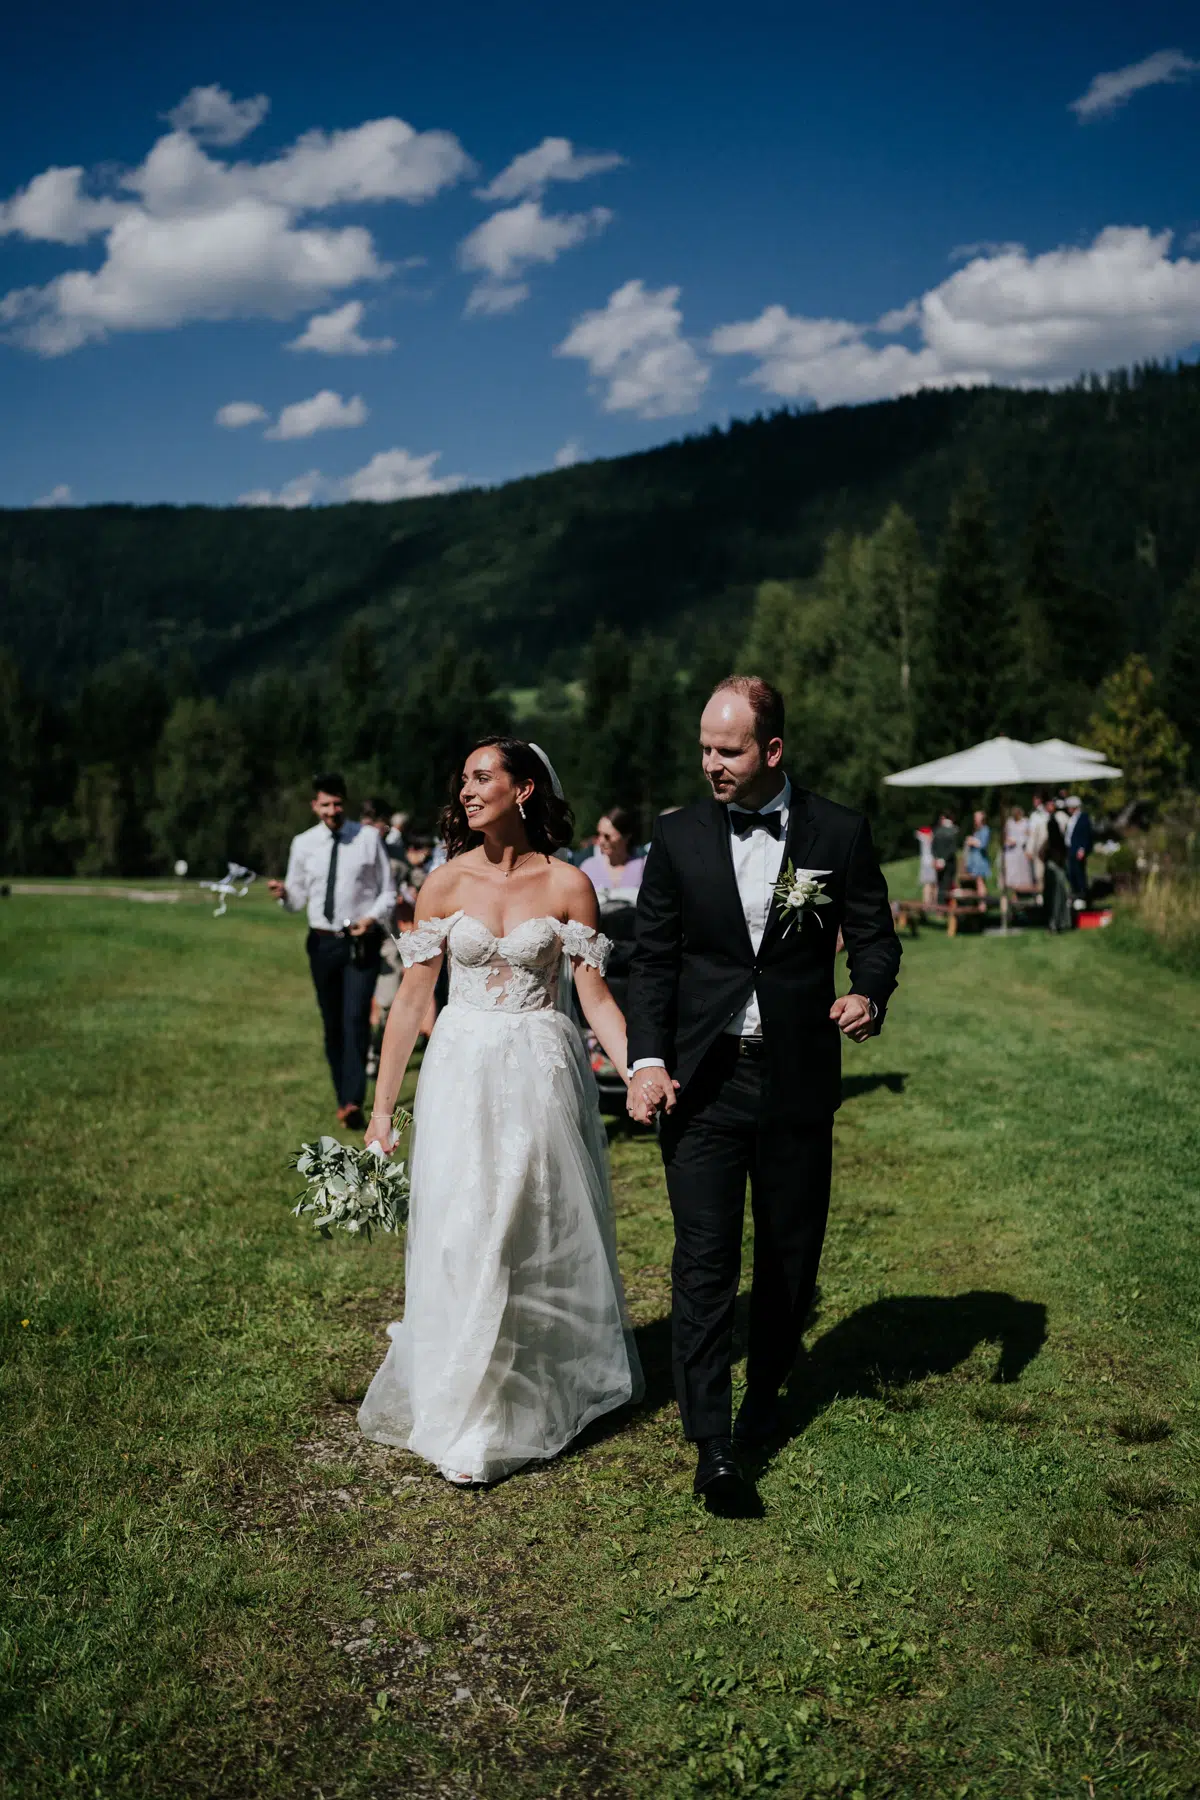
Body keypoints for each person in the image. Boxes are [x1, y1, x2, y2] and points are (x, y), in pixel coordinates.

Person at [624, 676, 901, 1509]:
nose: (710, 763)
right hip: (702, 1081)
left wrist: (868, 994)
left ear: (771, 750)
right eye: (704, 747)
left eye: (728, 750)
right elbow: (653, 960)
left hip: (795, 1081)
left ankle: (766, 1402)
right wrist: (645, 1059)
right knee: (704, 1262)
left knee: (788, 1262)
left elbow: (876, 936)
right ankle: (713, 1445)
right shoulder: (676, 838)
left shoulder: (838, 832)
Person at [357, 738, 643, 1486]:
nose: (466, 792)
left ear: (524, 790)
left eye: (483, 777)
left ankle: (532, 1390)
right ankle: (468, 1402)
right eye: (463, 782)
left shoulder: (569, 885)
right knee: (464, 1226)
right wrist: (383, 1110)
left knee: (530, 1221)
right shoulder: (442, 884)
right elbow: (413, 1000)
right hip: (460, 1074)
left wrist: (638, 1071)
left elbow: (597, 1000)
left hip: (542, 1076)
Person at [268, 773, 395, 1131]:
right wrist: (283, 895)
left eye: (337, 803)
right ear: (315, 806)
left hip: (359, 939)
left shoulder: (368, 839)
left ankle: (353, 1098)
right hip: (322, 941)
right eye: (325, 804)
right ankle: (343, 1096)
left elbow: (388, 891)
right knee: (332, 1022)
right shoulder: (303, 843)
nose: (332, 810)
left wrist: (371, 919)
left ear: (345, 803)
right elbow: (296, 898)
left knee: (355, 1017)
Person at [579, 807, 647, 893]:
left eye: (607, 836)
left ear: (626, 836)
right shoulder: (589, 868)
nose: (601, 841)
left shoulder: (642, 868)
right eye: (599, 834)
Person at [1043, 803, 1071, 932]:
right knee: (1057, 894)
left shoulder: (1055, 821)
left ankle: (1058, 922)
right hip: (1055, 863)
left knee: (1058, 895)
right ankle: (1057, 922)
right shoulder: (1052, 822)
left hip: (1056, 863)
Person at [1064, 795, 1094, 905]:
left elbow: (1087, 835)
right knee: (1071, 873)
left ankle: (1083, 896)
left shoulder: (1083, 818)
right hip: (1071, 850)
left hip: (1078, 851)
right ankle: (1075, 894)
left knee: (1079, 873)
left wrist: (1083, 849)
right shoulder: (1071, 819)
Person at [962, 809, 990, 910]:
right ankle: (980, 903)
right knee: (978, 883)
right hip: (975, 860)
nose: (975, 819)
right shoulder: (977, 830)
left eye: (977, 817)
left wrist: (972, 841)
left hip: (980, 861)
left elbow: (983, 845)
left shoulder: (985, 830)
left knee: (980, 882)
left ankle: (982, 904)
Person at [1002, 806, 1033, 890]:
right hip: (1011, 851)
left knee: (1021, 871)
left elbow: (1028, 835)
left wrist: (1020, 841)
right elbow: (1006, 835)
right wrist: (1008, 841)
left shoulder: (1025, 822)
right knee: (1011, 871)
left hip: (1021, 850)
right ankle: (1012, 891)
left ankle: (1022, 891)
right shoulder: (1009, 822)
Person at [931, 811, 958, 904]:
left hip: (938, 862)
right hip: (949, 862)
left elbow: (933, 847)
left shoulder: (937, 831)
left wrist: (937, 859)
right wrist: (944, 859)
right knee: (948, 883)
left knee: (940, 884)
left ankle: (940, 904)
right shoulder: (953, 831)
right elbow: (952, 848)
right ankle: (946, 905)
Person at [1026, 794, 1050, 893]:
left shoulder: (1043, 814)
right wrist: (1029, 849)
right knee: (1039, 873)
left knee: (1042, 872)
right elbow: (1031, 834)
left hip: (1045, 847)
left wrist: (1029, 849)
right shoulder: (1036, 815)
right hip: (1039, 848)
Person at [916, 825, 937, 906]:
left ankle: (927, 902)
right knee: (931, 884)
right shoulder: (927, 839)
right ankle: (930, 903)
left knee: (928, 884)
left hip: (925, 863)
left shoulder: (922, 839)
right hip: (930, 863)